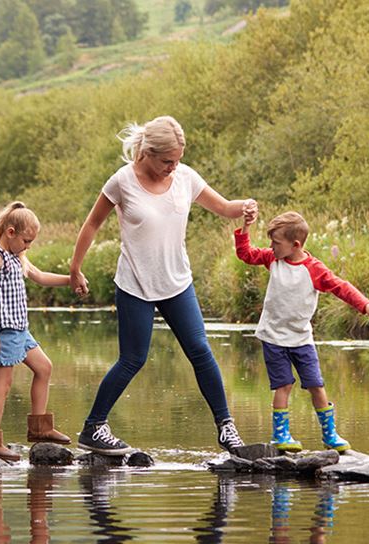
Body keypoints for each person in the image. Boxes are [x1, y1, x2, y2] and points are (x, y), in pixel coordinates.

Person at [68, 115, 259, 455]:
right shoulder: (122, 181)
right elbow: (92, 224)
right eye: (167, 161)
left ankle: (227, 428)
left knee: (200, 351)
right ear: (147, 153)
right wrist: (75, 267)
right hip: (135, 284)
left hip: (177, 282)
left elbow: (223, 207)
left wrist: (243, 207)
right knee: (133, 359)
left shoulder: (185, 177)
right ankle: (94, 428)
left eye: (178, 160)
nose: (174, 166)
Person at [234, 211, 369, 452]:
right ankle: (280, 436)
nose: (271, 246)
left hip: (302, 340)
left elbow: (340, 287)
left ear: (295, 245)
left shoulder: (314, 269)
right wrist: (245, 227)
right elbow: (245, 254)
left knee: (316, 385)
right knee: (283, 386)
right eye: (271, 242)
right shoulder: (272, 259)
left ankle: (330, 435)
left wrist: (365, 304)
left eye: (276, 242)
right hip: (273, 338)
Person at [0, 202, 72, 461]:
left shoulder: (17, 256)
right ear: (10, 232)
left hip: (20, 329)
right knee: (2, 386)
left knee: (44, 368)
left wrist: (71, 279)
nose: (28, 246)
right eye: (26, 240)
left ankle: (40, 429)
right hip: (2, 330)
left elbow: (39, 275)